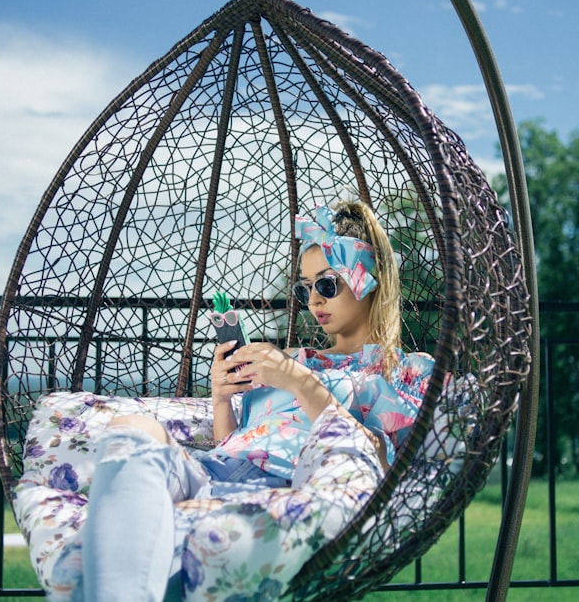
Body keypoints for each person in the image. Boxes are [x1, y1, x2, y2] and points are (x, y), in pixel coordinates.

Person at [66, 201, 434, 601]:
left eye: (327, 284)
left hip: (283, 488)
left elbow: (375, 460)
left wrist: (300, 383)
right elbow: (236, 443)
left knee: (138, 556)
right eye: (305, 287)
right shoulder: (293, 359)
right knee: (131, 430)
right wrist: (222, 398)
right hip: (213, 470)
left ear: (369, 280)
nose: (314, 300)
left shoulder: (403, 373)